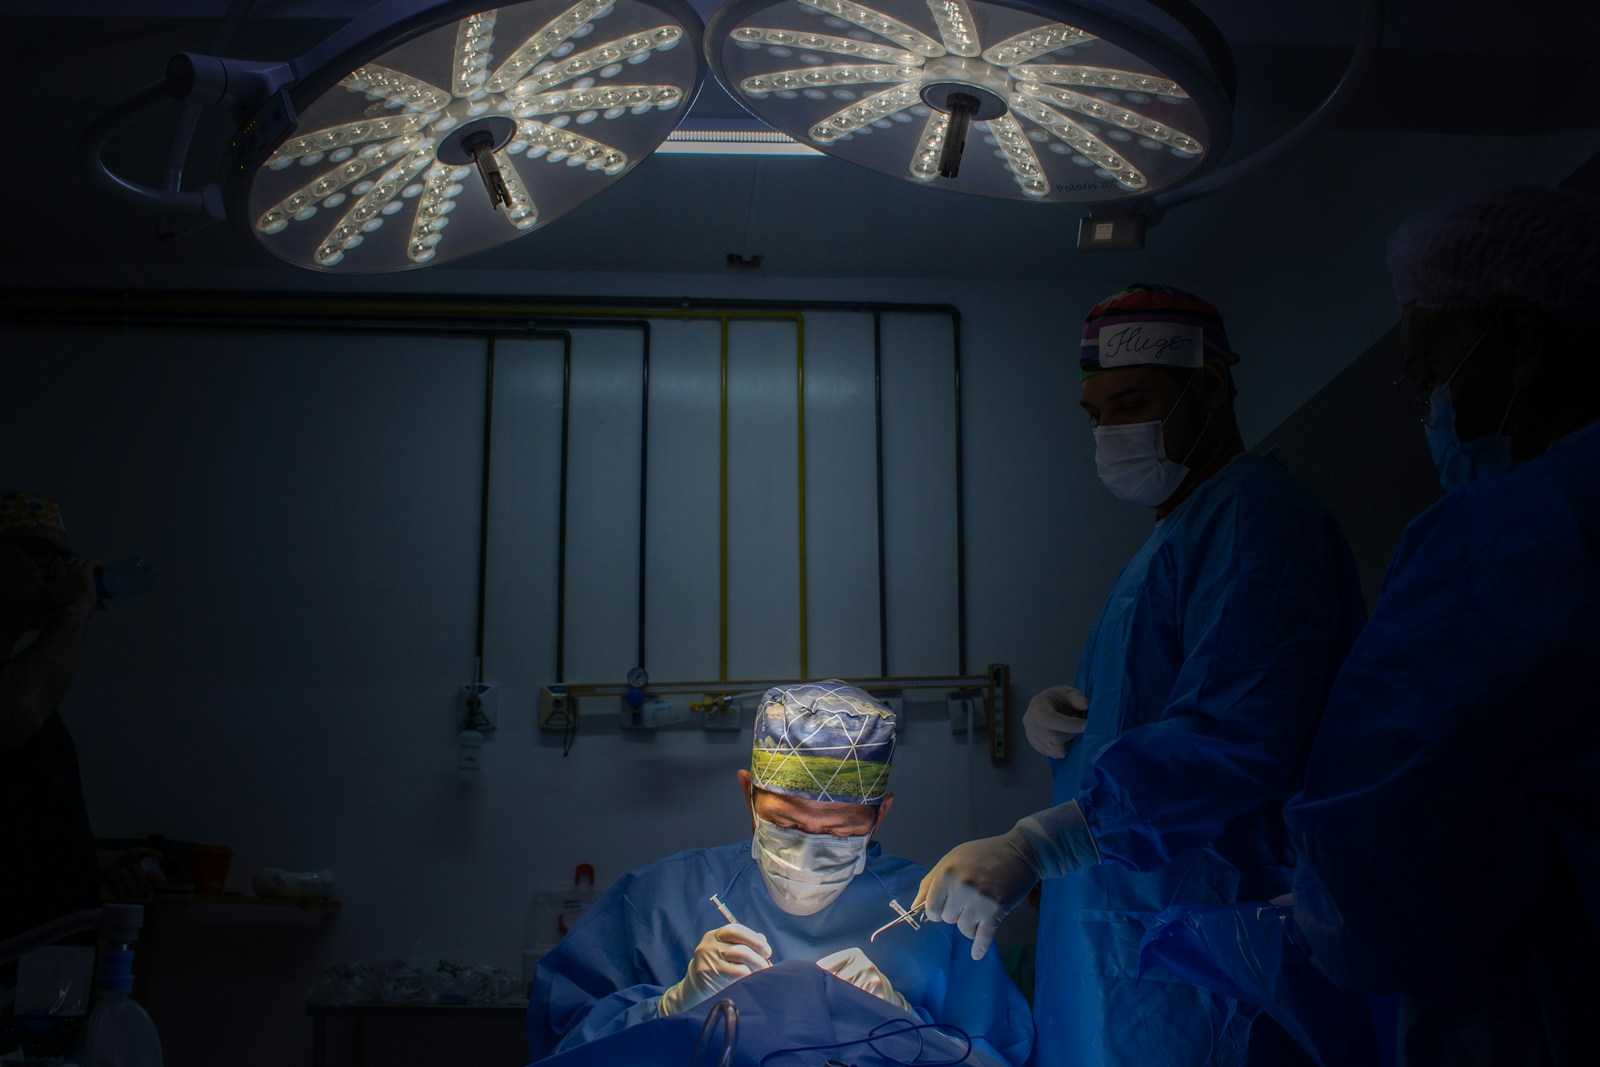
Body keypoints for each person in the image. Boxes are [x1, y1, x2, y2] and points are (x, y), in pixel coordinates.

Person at [913, 285, 1368, 1067]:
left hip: (1205, 943)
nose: (1111, 430)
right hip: (1127, 939)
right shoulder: (1176, 537)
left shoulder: (1257, 517)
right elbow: (1175, 704)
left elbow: (1237, 737)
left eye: (1131, 402)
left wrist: (1038, 844)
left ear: (1210, 388)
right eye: (1096, 414)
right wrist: (1081, 727)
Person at [1283, 184, 1600, 1065]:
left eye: (1430, 372)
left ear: (1522, 341)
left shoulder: (1515, 531)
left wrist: (1314, 914)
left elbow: (1377, 860)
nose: (1427, 408)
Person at [525, 681, 1033, 1064]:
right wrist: (668, 1008)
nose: (809, 849)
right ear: (748, 793)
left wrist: (904, 1024)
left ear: (881, 814)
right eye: (786, 823)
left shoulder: (937, 913)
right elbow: (560, 1044)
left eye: (838, 832)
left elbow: (997, 1057)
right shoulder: (661, 900)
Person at [1, 490, 164, 952]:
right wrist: (74, 609)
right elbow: (16, 715)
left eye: (63, 555)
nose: (59, 570)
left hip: (41, 966)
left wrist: (91, 862)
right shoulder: (21, 695)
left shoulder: (24, 681)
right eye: (39, 551)